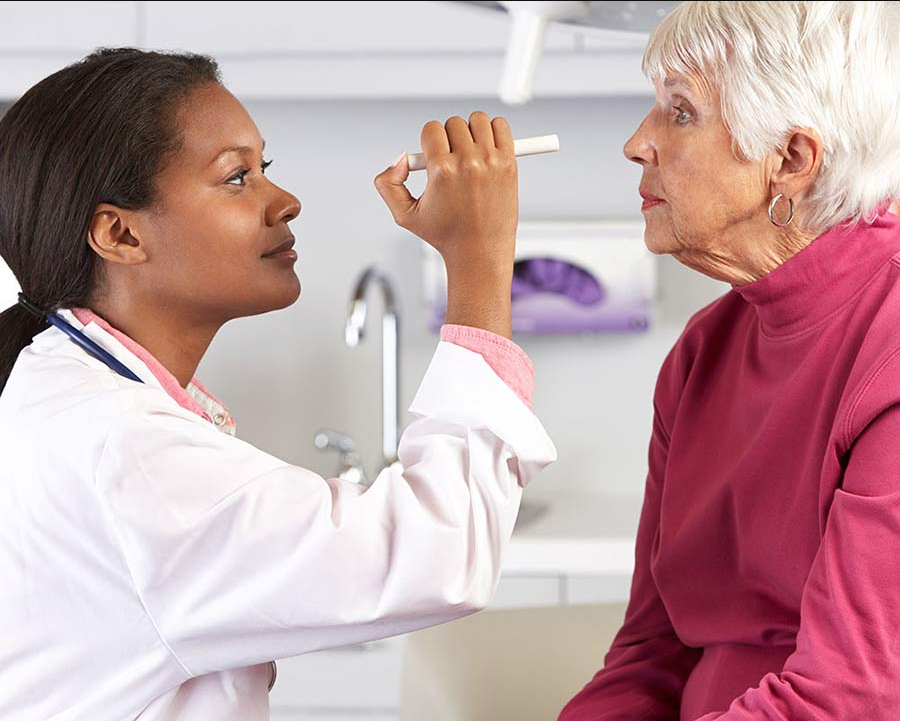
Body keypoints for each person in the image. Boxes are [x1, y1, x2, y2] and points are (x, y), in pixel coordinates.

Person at [0, 47, 556, 720]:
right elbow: (438, 552)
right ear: (119, 233)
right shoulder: (125, 449)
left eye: (266, 169)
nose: (285, 201)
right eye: (237, 178)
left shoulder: (66, 390)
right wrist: (480, 260)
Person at [559, 2, 900, 719]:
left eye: (679, 112)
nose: (636, 143)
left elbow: (849, 696)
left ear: (792, 160)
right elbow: (649, 651)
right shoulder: (702, 352)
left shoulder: (889, 346)